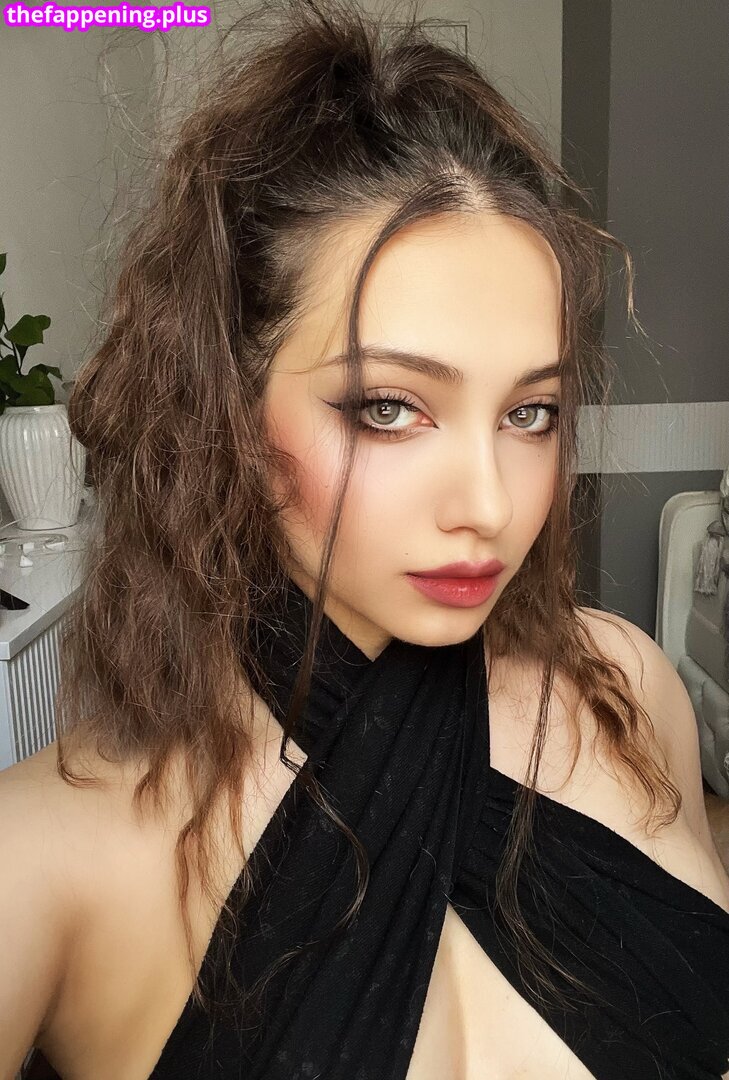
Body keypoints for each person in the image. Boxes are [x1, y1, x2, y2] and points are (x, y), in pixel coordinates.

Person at [3, 1, 729, 1078]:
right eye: (388, 408)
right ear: (226, 408)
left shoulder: (624, 691)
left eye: (530, 412)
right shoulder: (46, 861)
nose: (489, 504)